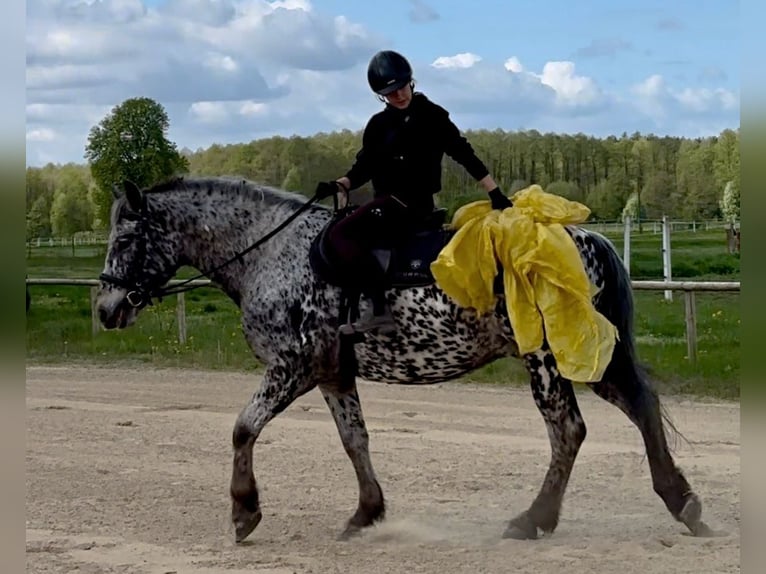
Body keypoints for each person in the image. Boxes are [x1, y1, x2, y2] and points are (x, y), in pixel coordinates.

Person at [315, 49, 512, 334]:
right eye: (390, 93)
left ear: (411, 82)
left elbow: (464, 153)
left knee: (339, 234)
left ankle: (379, 310)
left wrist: (494, 192)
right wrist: (341, 183)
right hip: (386, 203)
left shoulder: (433, 116)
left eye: (402, 88)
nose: (399, 96)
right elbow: (364, 166)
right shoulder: (377, 126)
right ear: (382, 95)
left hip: (412, 205)